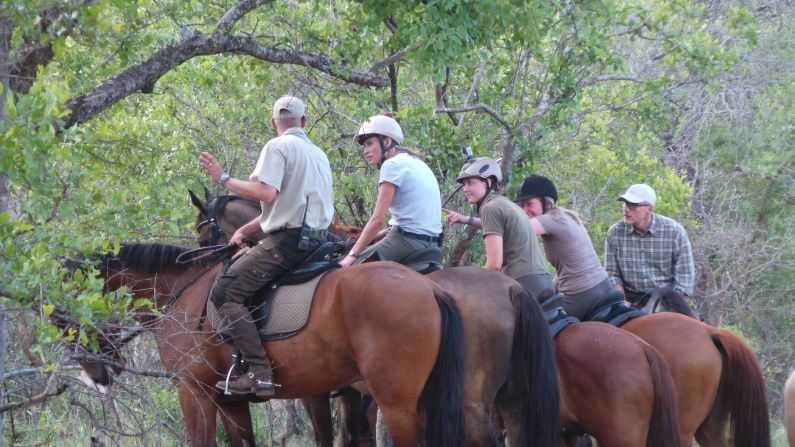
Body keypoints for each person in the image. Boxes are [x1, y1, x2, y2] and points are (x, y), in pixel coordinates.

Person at [198, 95, 334, 398]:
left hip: (287, 244)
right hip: (319, 242)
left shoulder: (277, 146)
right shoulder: (319, 154)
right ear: (304, 122)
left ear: (274, 123)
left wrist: (223, 178)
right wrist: (246, 229)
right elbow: (288, 207)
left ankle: (260, 375)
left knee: (225, 292)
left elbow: (266, 193)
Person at [338, 115, 443, 268]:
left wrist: (352, 255)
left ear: (386, 142)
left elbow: (377, 220)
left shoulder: (392, 165)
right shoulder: (415, 161)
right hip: (432, 243)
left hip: (407, 241)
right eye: (364, 146)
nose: (365, 151)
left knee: (345, 273)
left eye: (369, 144)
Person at [443, 157, 553, 303]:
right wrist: (464, 219)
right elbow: (499, 226)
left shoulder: (490, 208)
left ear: (488, 182)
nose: (465, 189)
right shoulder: (505, 204)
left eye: (470, 183)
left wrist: (471, 284)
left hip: (522, 282)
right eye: (464, 184)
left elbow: (494, 265)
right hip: (544, 280)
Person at [513, 175, 621, 320]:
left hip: (581, 294)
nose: (525, 210)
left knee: (538, 330)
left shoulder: (552, 220)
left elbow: (512, 228)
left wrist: (481, 220)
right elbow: (566, 266)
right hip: (603, 285)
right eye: (522, 206)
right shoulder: (566, 216)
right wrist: (553, 289)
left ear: (545, 201)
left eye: (529, 204)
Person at [604, 183, 695, 307]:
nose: (626, 209)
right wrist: (621, 301)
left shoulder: (674, 232)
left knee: (691, 326)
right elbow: (612, 274)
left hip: (667, 300)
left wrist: (665, 305)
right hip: (630, 301)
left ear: (650, 208)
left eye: (633, 205)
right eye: (625, 204)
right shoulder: (615, 233)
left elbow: (685, 277)